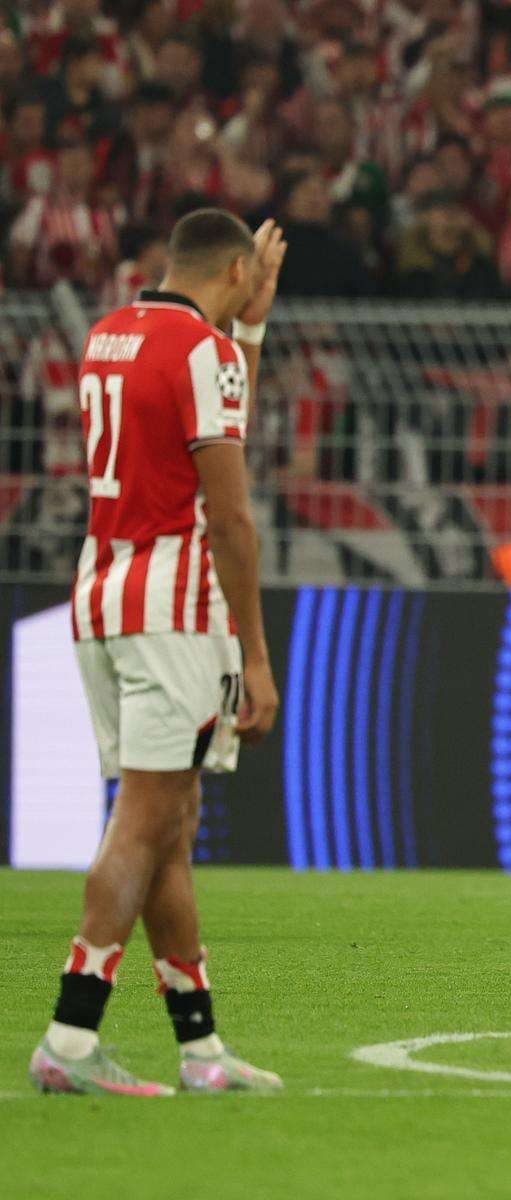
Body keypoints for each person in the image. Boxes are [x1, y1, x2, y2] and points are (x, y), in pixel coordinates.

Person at [31, 209, 286, 1096]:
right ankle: (69, 1038)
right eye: (250, 278)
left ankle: (201, 1051)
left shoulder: (112, 334)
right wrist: (254, 656)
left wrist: (248, 326)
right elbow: (230, 515)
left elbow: (214, 399)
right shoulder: (202, 353)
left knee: (171, 827)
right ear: (231, 267)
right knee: (144, 821)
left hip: (102, 595)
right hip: (174, 611)